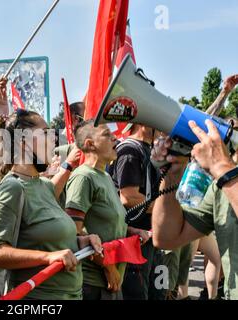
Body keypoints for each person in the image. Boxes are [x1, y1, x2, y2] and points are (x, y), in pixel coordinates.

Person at [0, 109, 102, 300]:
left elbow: (49, 239)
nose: (54, 141)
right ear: (24, 143)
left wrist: (80, 241)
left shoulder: (44, 185)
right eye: (46, 134)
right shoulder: (13, 188)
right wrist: (47, 258)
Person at [152, 119, 238, 300]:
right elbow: (167, 238)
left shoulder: (226, 178)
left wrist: (222, 168)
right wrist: (173, 173)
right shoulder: (222, 185)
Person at [65, 120, 144, 300]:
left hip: (111, 279)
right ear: (89, 144)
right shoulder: (83, 177)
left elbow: (106, 221)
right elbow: (74, 231)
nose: (115, 138)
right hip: (93, 283)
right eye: (107, 135)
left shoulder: (106, 176)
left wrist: (132, 231)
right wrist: (107, 267)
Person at [108, 123, 165, 300]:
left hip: (151, 237)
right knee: (139, 294)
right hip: (136, 241)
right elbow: (129, 197)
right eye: (157, 120)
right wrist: (164, 208)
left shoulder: (147, 149)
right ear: (143, 124)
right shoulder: (129, 151)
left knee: (159, 292)